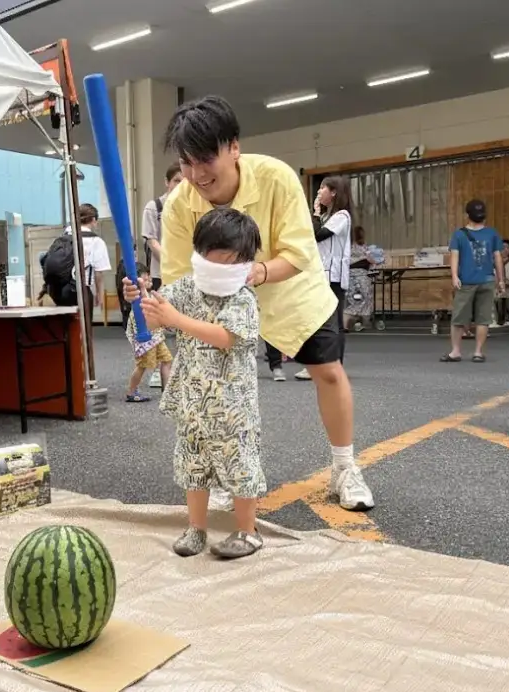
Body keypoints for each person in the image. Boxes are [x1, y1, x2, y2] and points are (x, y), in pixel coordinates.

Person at [136, 94, 374, 512]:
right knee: (220, 393)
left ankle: (344, 467)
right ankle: (226, 474)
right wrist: (153, 300)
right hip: (218, 306)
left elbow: (300, 252)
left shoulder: (276, 177)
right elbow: (177, 278)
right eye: (186, 163)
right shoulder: (179, 205)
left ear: (233, 148)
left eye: (204, 160)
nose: (194, 174)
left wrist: (254, 273)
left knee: (329, 373)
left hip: (291, 293)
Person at [133, 208, 266, 559]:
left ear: (243, 260)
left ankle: (248, 531)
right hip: (192, 401)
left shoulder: (242, 296)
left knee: (239, 464)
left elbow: (227, 337)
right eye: (211, 255)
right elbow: (151, 321)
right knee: (193, 467)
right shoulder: (187, 288)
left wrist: (176, 319)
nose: (217, 263)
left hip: (232, 404)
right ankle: (196, 529)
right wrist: (139, 300)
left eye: (228, 258)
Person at [295, 176, 353, 380]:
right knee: (319, 320)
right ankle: (322, 365)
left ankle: (333, 366)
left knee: (332, 323)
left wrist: (316, 213)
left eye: (322, 189)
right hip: (321, 275)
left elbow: (318, 235)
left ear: (334, 192)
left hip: (334, 277)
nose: (319, 193)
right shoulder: (329, 216)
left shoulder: (342, 216)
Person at [440, 199, 505, 363]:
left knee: (458, 318)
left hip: (466, 281)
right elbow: (497, 257)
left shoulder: (459, 234)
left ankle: (455, 352)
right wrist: (501, 279)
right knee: (483, 319)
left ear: (467, 215)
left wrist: (454, 276)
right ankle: (478, 352)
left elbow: (455, 256)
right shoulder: (492, 233)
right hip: (487, 280)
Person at [141, 163, 184, 388]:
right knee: (159, 323)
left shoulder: (192, 203)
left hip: (188, 273)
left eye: (185, 180)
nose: (181, 184)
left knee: (185, 322)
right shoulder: (155, 206)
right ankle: (159, 369)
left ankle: (183, 368)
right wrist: (169, 259)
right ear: (167, 182)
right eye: (177, 180)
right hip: (161, 272)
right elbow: (151, 238)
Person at [124, 264, 173, 402]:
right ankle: (131, 391)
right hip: (146, 339)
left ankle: (167, 392)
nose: (149, 280)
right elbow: (147, 304)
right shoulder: (136, 296)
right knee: (142, 366)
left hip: (156, 337)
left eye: (148, 278)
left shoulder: (146, 292)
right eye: (145, 279)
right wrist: (142, 287)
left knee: (167, 360)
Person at [344, 226, 376, 331]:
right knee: (365, 298)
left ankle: (347, 322)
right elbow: (370, 259)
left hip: (349, 276)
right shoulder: (362, 247)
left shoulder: (346, 246)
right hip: (361, 275)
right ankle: (357, 319)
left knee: (353, 298)